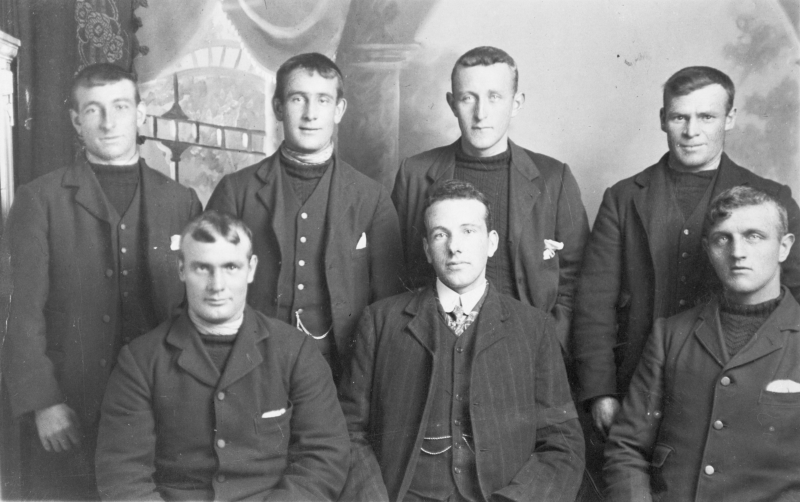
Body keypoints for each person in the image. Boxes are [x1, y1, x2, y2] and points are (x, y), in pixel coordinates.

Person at [0, 63, 202, 500]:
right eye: (94, 110)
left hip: (161, 409)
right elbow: (18, 312)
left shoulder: (181, 200)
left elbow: (196, 310)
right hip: (70, 409)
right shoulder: (39, 200)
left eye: (120, 107)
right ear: (77, 120)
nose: (109, 122)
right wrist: (43, 401)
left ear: (140, 113)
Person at [572, 66, 800, 448]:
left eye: (706, 117)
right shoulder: (624, 197)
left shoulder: (770, 197)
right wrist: (600, 392)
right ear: (663, 119)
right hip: (636, 386)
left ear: (730, 118)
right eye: (680, 117)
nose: (691, 130)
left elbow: (795, 296)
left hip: (738, 389)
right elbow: (594, 302)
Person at [339, 180, 584, 502]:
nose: (454, 247)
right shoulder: (380, 322)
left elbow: (563, 443)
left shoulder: (533, 328)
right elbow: (349, 433)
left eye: (468, 231)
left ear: (491, 243)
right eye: (440, 235)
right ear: (427, 249)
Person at [95, 211, 349, 500]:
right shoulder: (139, 361)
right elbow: (122, 474)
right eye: (202, 268)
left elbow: (324, 456)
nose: (217, 285)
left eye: (231, 267)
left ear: (251, 269)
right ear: (181, 269)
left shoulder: (296, 352)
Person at [207, 52, 403, 383]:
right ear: (278, 107)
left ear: (339, 110)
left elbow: (389, 306)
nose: (311, 114)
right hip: (251, 367)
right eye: (298, 99)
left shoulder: (372, 198)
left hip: (342, 370)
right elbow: (209, 289)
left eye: (323, 100)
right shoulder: (236, 192)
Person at [604, 186, 800, 500]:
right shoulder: (670, 334)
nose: (737, 252)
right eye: (723, 239)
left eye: (754, 236)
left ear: (784, 247)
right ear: (708, 249)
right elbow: (626, 448)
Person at [392, 46, 589, 351]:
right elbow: (397, 273)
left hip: (528, 348)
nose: (481, 113)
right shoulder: (415, 175)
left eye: (494, 97)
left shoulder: (553, 177)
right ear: (452, 103)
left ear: (516, 103)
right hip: (436, 347)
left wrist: (548, 344)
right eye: (468, 98)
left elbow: (578, 279)